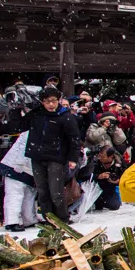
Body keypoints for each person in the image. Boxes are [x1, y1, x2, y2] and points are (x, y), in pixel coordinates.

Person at [25, 86, 82, 223]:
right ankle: (48, 217)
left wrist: (73, 158)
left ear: (58, 100)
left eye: (53, 101)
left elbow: (74, 138)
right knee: (42, 190)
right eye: (47, 101)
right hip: (37, 155)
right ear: (42, 102)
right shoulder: (37, 114)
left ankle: (63, 218)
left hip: (57, 156)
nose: (51, 104)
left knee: (56, 191)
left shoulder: (65, 116)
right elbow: (19, 123)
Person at [0, 131, 37, 232]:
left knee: (29, 194)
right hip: (15, 166)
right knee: (15, 194)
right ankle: (12, 221)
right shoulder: (31, 132)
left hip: (29, 168)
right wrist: (19, 163)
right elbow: (23, 147)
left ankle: (29, 219)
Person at [78, 146, 124, 211]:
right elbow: (83, 176)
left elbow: (125, 178)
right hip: (94, 187)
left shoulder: (119, 163)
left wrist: (117, 181)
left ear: (110, 157)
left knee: (115, 205)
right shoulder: (94, 161)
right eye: (99, 155)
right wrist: (98, 176)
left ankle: (101, 202)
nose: (100, 158)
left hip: (110, 189)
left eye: (103, 156)